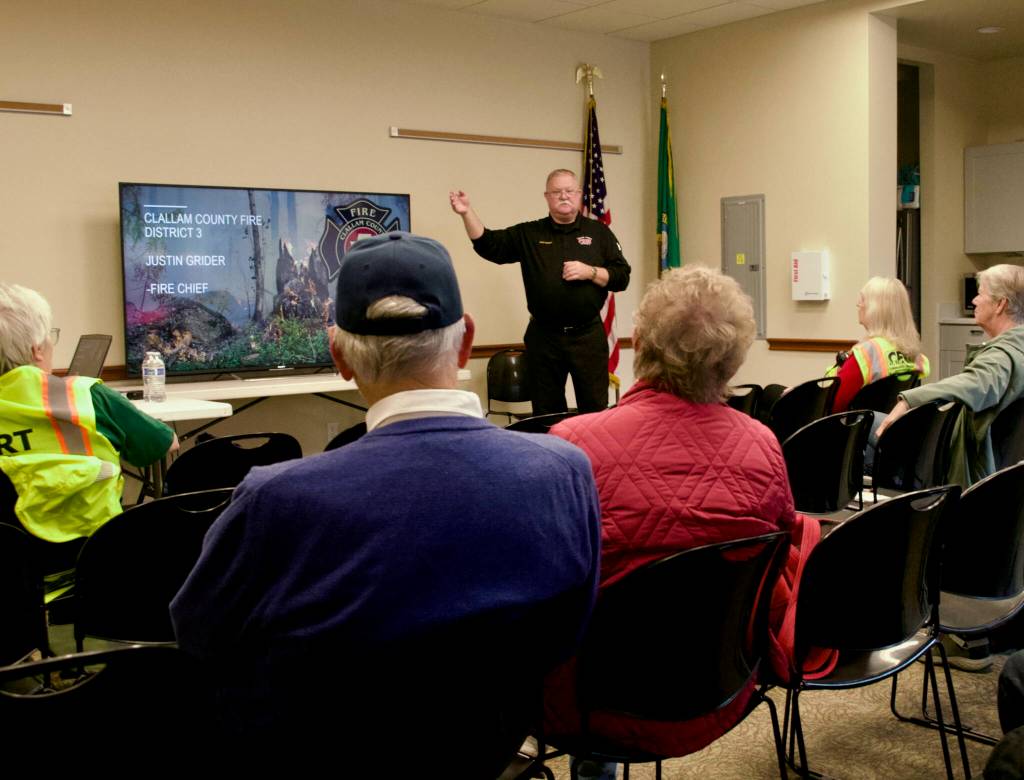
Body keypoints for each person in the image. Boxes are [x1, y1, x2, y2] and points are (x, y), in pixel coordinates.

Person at [170, 232, 601, 769]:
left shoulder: (274, 501)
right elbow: (564, 633)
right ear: (466, 341)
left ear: (339, 355)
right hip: (487, 749)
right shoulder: (564, 471)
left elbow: (199, 638)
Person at [540, 266, 823, 773]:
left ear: (639, 342)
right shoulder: (762, 444)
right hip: (721, 689)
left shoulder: (571, 446)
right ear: (733, 358)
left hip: (592, 702)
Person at [0, 283, 177, 581]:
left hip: (13, 580)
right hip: (99, 567)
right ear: (36, 350)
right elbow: (165, 443)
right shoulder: (85, 395)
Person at [449, 169, 631, 415]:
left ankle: (589, 455)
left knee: (594, 411)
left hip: (587, 337)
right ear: (547, 197)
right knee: (546, 412)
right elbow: (489, 245)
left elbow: (622, 277)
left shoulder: (599, 233)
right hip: (544, 338)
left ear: (578, 195)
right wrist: (466, 212)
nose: (563, 197)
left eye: (569, 191)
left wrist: (591, 272)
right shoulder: (530, 234)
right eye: (557, 192)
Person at [878, 264, 1024, 486]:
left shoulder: (1001, 357)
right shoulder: (1017, 348)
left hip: (969, 474)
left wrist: (909, 400)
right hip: (995, 474)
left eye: (980, 293)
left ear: (1000, 304)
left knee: (862, 431)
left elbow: (977, 384)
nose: (974, 300)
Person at [828, 277, 929, 412]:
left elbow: (833, 404)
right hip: (892, 427)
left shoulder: (867, 353)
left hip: (859, 430)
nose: (858, 304)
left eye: (863, 299)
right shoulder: (914, 353)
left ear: (876, 309)